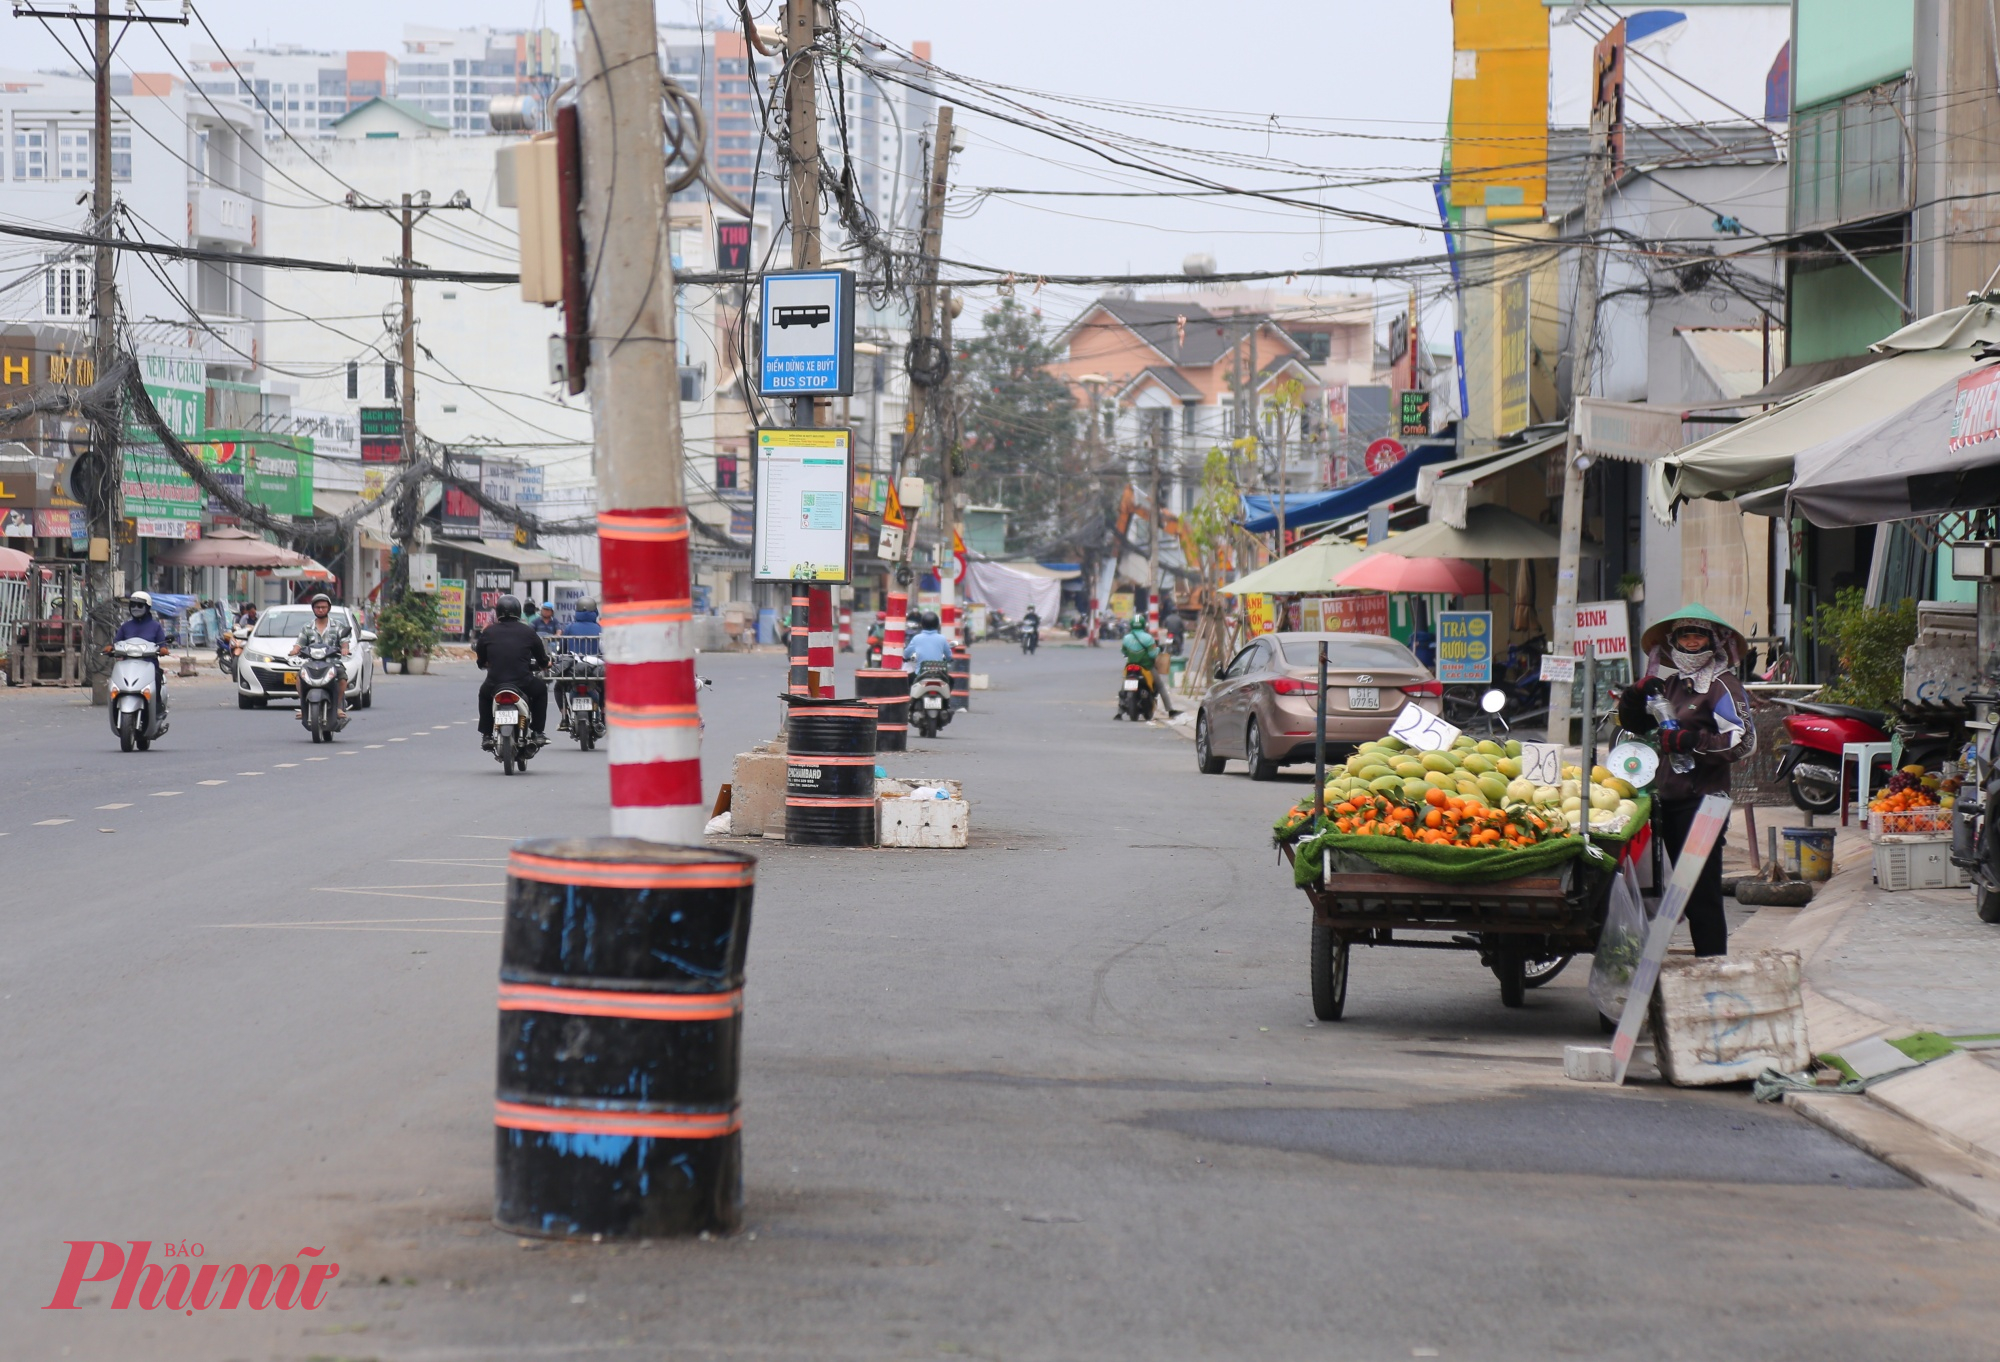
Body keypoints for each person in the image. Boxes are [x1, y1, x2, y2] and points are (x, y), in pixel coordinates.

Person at [1615, 605, 1756, 957]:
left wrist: (1692, 743)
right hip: (1671, 800)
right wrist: (1636, 695)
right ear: (1673, 642)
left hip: (1706, 803)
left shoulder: (1723, 685)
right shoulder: (1673, 685)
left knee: (1701, 892)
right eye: (1684, 636)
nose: (1692, 642)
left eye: (1699, 635)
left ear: (1713, 642)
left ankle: (1712, 967)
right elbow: (1640, 725)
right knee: (1678, 890)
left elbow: (1744, 741)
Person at [475, 593, 550, 749]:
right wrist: (545, 664)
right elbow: (541, 658)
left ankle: (487, 735)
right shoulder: (528, 632)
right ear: (518, 611)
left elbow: (481, 658)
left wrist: (483, 663)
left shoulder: (488, 632)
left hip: (495, 683)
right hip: (523, 682)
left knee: (484, 695)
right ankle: (537, 732)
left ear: (498, 612)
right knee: (541, 690)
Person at [290, 592, 352, 717]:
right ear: (313, 609)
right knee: (299, 678)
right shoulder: (307, 627)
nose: (320, 609)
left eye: (323, 607)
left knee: (342, 678)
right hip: (312, 664)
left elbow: (344, 642)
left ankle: (338, 706)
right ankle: (304, 706)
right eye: (318, 607)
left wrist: (344, 649)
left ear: (328, 608)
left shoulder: (338, 626)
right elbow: (299, 643)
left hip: (332, 662)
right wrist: (295, 650)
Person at [112, 591, 172, 710]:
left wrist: (163, 649)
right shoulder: (125, 626)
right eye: (132, 605)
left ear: (147, 607)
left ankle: (157, 707)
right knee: (115, 681)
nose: (135, 608)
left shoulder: (156, 626)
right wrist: (110, 648)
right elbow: (116, 643)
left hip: (149, 665)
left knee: (156, 677)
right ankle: (115, 706)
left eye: (139, 605)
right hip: (127, 665)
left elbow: (162, 644)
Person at [1120, 616, 1164, 716]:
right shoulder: (1148, 638)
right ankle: (1170, 709)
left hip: (1130, 666)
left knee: (1124, 686)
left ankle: (1120, 711)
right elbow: (1153, 654)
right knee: (1160, 685)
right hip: (1146, 666)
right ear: (1144, 625)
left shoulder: (1126, 638)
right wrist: (1158, 650)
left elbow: (1123, 651)